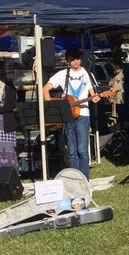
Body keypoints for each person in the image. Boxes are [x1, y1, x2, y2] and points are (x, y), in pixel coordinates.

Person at [46, 48, 100, 179]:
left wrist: (96, 98)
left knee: (82, 149)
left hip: (83, 114)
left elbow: (93, 94)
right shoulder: (62, 74)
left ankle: (84, 178)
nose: (75, 62)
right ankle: (75, 177)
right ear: (67, 60)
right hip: (67, 115)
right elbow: (45, 89)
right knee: (71, 150)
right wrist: (51, 106)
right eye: (72, 59)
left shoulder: (87, 74)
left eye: (77, 59)